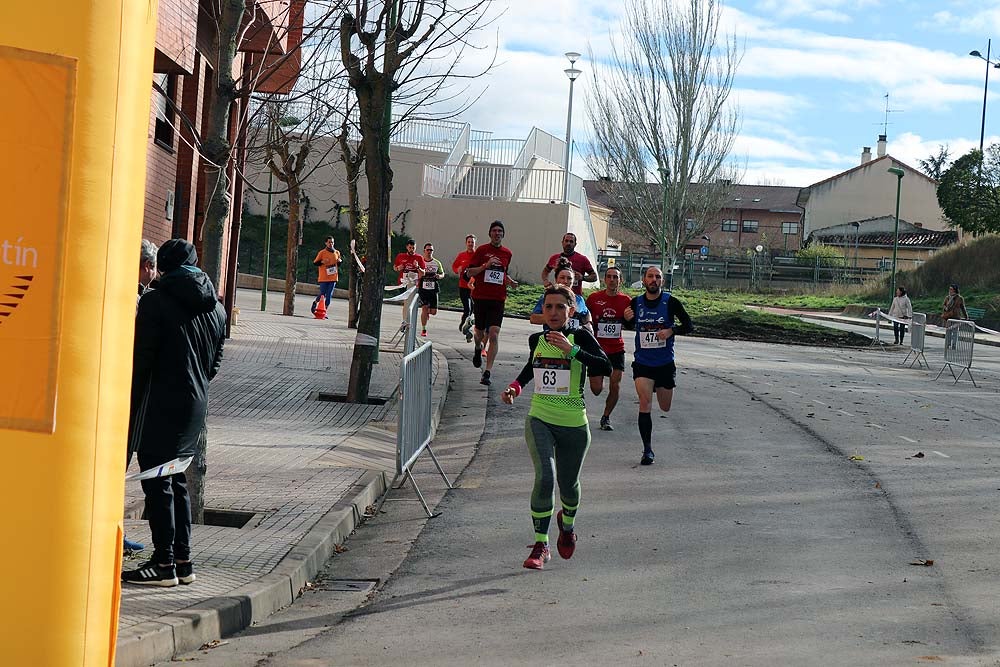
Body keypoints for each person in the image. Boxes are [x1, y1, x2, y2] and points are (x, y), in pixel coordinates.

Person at [121, 239, 226, 587]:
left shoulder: (155, 302)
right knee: (176, 481)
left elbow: (139, 360)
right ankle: (183, 560)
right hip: (195, 407)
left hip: (158, 408)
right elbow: (215, 363)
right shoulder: (217, 309)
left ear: (162, 267)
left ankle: (163, 562)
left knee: (157, 483)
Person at [502, 284, 611, 570]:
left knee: (569, 486)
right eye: (548, 307)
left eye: (560, 307)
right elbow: (531, 368)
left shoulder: (581, 337)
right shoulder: (535, 339)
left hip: (574, 424)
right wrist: (515, 386)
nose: (553, 312)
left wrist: (572, 350)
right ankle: (541, 544)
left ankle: (568, 524)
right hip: (540, 418)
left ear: (571, 310)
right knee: (545, 478)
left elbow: (606, 367)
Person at [623, 266, 693, 466]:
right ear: (643, 280)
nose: (654, 280)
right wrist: (626, 319)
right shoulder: (636, 303)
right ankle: (647, 450)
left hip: (664, 363)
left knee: (665, 407)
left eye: (658, 277)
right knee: (645, 403)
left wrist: (672, 330)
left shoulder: (670, 302)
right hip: (643, 363)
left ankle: (658, 386)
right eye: (650, 276)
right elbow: (629, 324)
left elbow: (689, 325)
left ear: (662, 281)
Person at [124, 239, 159, 554]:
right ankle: (114, 536)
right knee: (117, 467)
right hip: (128, 397)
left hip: (125, 394)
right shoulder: (140, 299)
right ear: (148, 266)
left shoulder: (138, 295)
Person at [466, 220, 518, 386]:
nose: (497, 233)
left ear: (503, 235)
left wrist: (509, 281)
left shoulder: (507, 253)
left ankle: (487, 372)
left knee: (494, 334)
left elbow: (502, 272)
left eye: (500, 231)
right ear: (490, 234)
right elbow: (469, 272)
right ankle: (477, 348)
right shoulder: (482, 250)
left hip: (498, 299)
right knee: (479, 334)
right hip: (481, 297)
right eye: (494, 231)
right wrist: (485, 265)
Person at [586, 266, 632, 431]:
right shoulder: (593, 298)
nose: (612, 280)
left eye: (616, 277)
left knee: (616, 384)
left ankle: (606, 416)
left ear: (620, 281)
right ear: (605, 279)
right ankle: (601, 377)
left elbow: (631, 324)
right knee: (597, 389)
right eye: (609, 277)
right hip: (597, 348)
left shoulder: (626, 300)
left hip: (616, 349)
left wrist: (628, 320)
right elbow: (585, 320)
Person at [529, 258, 590, 331]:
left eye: (569, 278)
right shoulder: (548, 297)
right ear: (556, 279)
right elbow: (533, 319)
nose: (565, 281)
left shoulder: (579, 299)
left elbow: (586, 314)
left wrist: (589, 323)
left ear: (573, 281)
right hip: (552, 338)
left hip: (573, 340)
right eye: (562, 277)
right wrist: (556, 318)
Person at [393, 238, 426, 328]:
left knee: (410, 302)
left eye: (413, 248)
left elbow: (423, 273)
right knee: (406, 302)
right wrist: (398, 268)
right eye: (410, 247)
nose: (412, 249)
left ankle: (408, 321)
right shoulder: (401, 256)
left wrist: (417, 267)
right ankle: (405, 321)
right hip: (403, 282)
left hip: (413, 284)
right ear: (407, 247)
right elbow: (395, 267)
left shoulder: (419, 258)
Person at [452, 234, 477, 337]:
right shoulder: (461, 255)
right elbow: (454, 266)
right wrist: (457, 269)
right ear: (466, 243)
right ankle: (463, 324)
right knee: (467, 308)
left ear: (475, 243)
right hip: (463, 286)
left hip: (474, 287)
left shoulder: (477, 256)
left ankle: (466, 325)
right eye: (469, 242)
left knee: (473, 309)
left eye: (472, 242)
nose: (470, 244)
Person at [418, 242, 445, 337]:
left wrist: (439, 276)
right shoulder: (421, 261)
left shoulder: (437, 263)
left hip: (433, 289)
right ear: (424, 251)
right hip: (423, 288)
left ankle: (428, 313)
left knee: (433, 312)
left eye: (431, 250)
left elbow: (442, 274)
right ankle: (424, 329)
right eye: (427, 250)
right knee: (424, 308)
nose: (429, 252)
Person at [310, 236, 341, 317]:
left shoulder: (337, 252)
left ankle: (324, 311)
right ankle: (315, 303)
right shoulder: (322, 253)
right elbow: (315, 263)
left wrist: (340, 261)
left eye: (332, 242)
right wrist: (322, 262)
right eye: (329, 242)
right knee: (322, 294)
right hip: (324, 277)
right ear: (326, 243)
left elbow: (338, 264)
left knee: (329, 295)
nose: (331, 244)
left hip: (333, 277)